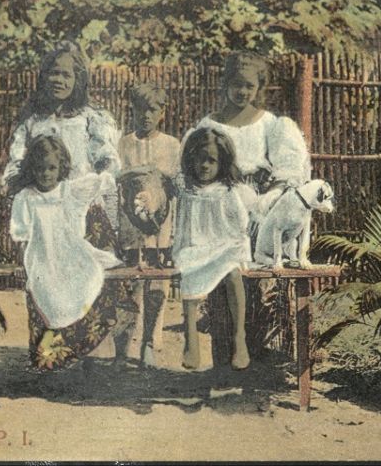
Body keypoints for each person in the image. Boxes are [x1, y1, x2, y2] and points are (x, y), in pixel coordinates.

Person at [8, 134, 127, 369]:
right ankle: (50, 348)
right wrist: (23, 264)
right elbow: (22, 236)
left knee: (88, 280)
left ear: (61, 167)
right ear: (32, 168)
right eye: (40, 168)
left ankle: (76, 346)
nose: (46, 174)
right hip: (41, 257)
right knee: (46, 290)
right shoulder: (26, 197)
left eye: (52, 168)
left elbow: (100, 182)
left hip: (71, 253)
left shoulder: (69, 191)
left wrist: (108, 173)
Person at [170, 128, 277, 371]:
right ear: (191, 159)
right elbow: (179, 219)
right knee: (190, 275)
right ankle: (190, 339)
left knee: (233, 273)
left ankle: (239, 337)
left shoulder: (230, 191)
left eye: (212, 160)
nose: (205, 166)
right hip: (195, 247)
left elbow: (252, 213)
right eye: (200, 159)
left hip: (225, 246)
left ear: (223, 162)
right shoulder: (187, 190)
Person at [1, 41, 122, 255]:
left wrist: (93, 188)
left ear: (77, 80)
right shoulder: (32, 122)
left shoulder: (90, 119)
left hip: (83, 208)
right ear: (44, 77)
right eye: (54, 73)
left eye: (66, 75)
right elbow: (16, 163)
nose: (59, 80)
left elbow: (109, 162)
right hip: (43, 206)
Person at [183, 52, 311, 203]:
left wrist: (270, 193)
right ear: (226, 84)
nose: (243, 92)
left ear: (259, 87)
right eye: (237, 84)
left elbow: (287, 167)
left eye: (250, 86)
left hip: (258, 199)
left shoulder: (269, 123)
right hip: (218, 200)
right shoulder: (210, 124)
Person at [115, 83, 180, 367]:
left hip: (160, 227)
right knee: (129, 282)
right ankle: (123, 345)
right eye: (141, 109)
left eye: (153, 109)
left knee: (157, 282)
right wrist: (134, 173)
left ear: (162, 112)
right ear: (132, 109)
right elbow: (115, 178)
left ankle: (149, 343)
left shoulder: (172, 145)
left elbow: (177, 184)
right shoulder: (123, 144)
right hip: (130, 225)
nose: (146, 115)